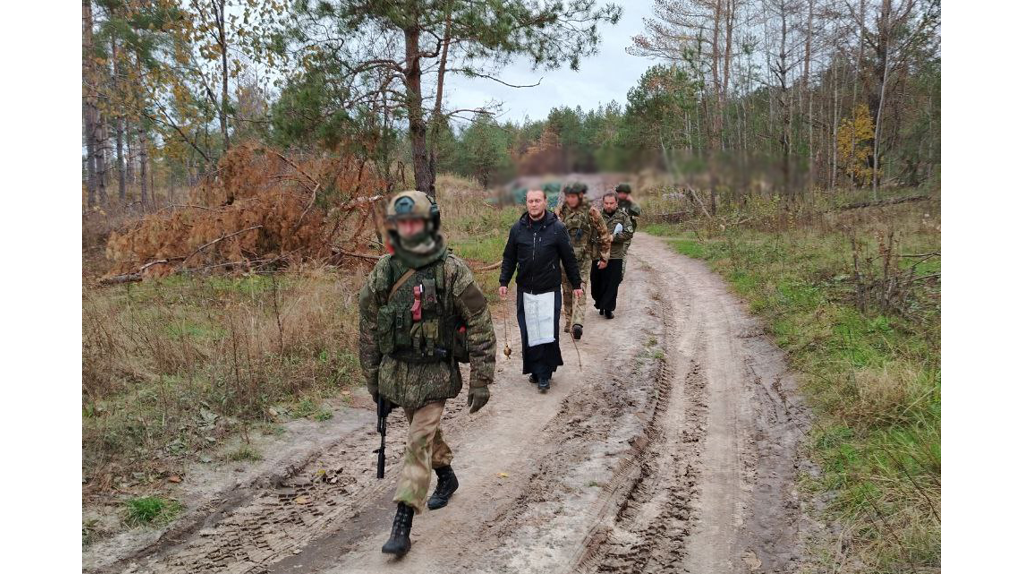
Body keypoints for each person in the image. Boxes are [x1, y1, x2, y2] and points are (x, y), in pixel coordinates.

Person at [358, 190, 496, 557]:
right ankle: (447, 478)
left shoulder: (451, 269)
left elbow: (479, 321)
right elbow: (369, 327)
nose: (408, 230)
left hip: (435, 373)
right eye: (401, 224)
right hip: (399, 375)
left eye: (414, 223)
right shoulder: (385, 271)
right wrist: (373, 382)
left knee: (417, 442)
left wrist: (482, 377)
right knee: (427, 438)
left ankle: (402, 521)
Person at [499, 189, 583, 393]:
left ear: (545, 202)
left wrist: (576, 284)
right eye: (530, 201)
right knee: (529, 331)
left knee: (546, 331)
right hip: (525, 289)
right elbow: (509, 257)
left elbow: (569, 258)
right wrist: (504, 281)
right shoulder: (517, 229)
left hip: (549, 289)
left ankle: (545, 373)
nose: (534, 204)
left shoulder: (557, 228)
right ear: (526, 203)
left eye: (537, 200)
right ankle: (534, 369)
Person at [553, 182, 611, 340]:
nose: (571, 200)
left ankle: (577, 323)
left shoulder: (591, 212)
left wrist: (604, 257)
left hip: (584, 258)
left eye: (574, 197)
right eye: (568, 197)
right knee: (566, 289)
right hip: (564, 258)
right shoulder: (560, 212)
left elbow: (604, 234)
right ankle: (568, 320)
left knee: (580, 288)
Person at [591, 192, 634, 319]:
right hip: (598, 254)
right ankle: (600, 303)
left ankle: (609, 308)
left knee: (612, 283)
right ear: (603, 203)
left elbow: (629, 233)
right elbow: (590, 234)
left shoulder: (623, 216)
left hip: (615, 255)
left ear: (616, 203)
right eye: (606, 203)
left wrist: (613, 237)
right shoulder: (596, 216)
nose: (609, 206)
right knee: (596, 282)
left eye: (611, 203)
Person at [615, 183, 642, 279]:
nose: (621, 195)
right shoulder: (614, 202)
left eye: (623, 193)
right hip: (613, 232)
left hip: (626, 233)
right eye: (619, 193)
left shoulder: (630, 204)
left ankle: (619, 274)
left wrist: (632, 201)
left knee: (622, 252)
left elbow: (638, 212)